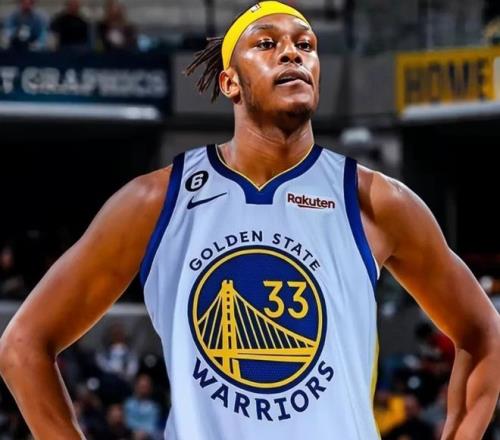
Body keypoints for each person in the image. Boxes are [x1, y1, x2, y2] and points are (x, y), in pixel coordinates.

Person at [0, 1, 499, 439]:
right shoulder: (155, 201)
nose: (292, 53)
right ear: (230, 82)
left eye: (306, 45)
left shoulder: (376, 200)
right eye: (267, 44)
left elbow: (484, 337)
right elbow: (22, 345)